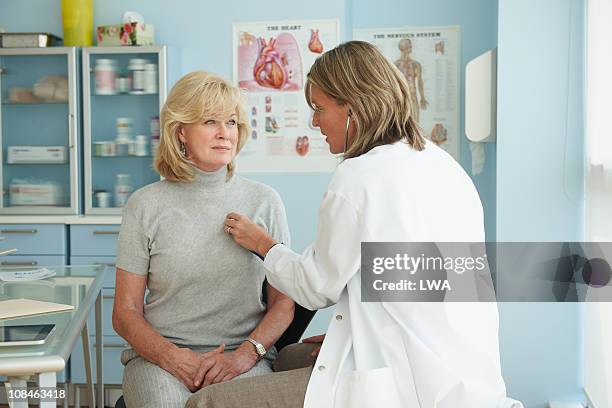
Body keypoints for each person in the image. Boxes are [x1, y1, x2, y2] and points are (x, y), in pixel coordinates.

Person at [186, 41, 510, 408]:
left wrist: (264, 245)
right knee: (291, 356)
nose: (314, 121)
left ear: (352, 109)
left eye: (319, 109)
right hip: (465, 371)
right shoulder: (442, 164)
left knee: (205, 403)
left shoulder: (357, 178)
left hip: (407, 382)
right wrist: (353, 332)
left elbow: (315, 288)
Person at [112, 71, 295, 408]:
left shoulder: (264, 201)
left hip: (243, 359)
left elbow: (284, 304)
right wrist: (172, 357)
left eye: (232, 122)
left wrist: (244, 356)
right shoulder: (145, 204)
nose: (225, 133)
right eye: (210, 121)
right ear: (180, 131)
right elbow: (124, 313)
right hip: (159, 360)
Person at [394, 38, 428, 123]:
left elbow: (419, 81)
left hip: (413, 98)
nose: (411, 47)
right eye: (409, 45)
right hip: (400, 99)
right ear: (403, 48)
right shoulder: (395, 65)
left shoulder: (416, 64)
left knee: (416, 123)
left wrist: (422, 97)